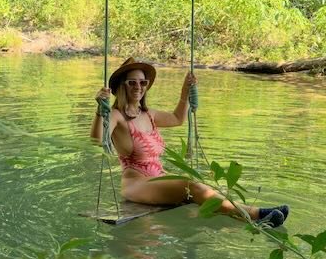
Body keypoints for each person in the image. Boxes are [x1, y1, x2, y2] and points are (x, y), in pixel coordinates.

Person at [90, 57, 288, 227]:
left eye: (143, 83)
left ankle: (247, 215)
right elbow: (97, 139)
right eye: (132, 83)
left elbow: (177, 118)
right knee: (189, 185)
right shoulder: (116, 115)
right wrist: (100, 111)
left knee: (199, 185)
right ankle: (255, 215)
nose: (139, 87)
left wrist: (185, 91)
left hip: (158, 177)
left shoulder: (148, 114)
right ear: (121, 86)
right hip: (136, 183)